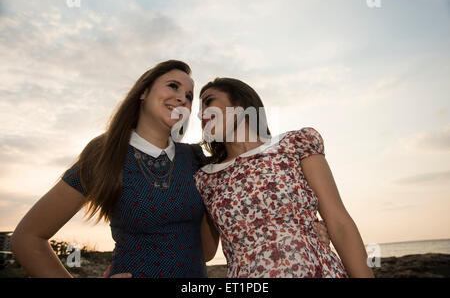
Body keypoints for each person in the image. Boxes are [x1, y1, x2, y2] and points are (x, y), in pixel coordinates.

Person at [10, 60, 332, 278]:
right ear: (143, 92)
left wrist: (302, 228)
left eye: (190, 96)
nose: (183, 99)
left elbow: (207, 252)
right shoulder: (103, 153)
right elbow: (28, 237)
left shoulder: (198, 161)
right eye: (174, 86)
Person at [194, 77, 375, 278]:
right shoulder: (206, 178)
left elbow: (339, 223)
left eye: (209, 102)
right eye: (199, 111)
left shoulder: (294, 145)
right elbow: (206, 253)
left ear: (240, 105)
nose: (201, 114)